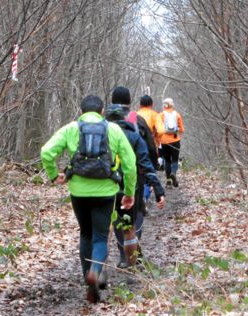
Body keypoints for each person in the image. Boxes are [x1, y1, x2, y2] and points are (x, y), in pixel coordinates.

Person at [40, 95, 137, 303]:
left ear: (81, 111)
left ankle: (88, 277)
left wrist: (53, 175)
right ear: (102, 112)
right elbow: (130, 164)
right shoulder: (113, 129)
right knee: (100, 237)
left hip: (79, 192)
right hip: (106, 192)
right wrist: (129, 193)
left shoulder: (71, 129)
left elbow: (46, 152)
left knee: (85, 233)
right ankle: (95, 271)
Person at [108, 87, 165, 267]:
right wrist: (154, 180)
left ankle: (123, 255)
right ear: (130, 101)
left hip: (109, 177)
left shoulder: (104, 122)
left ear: (112, 100)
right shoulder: (137, 120)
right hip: (135, 175)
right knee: (135, 212)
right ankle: (132, 254)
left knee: (117, 214)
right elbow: (149, 150)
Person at [158, 98, 184, 187]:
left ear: (164, 105)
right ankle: (173, 173)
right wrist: (176, 130)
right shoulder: (177, 115)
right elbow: (182, 129)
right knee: (175, 160)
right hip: (175, 140)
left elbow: (158, 129)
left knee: (167, 160)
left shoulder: (160, 115)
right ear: (172, 105)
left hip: (164, 141)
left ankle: (168, 181)